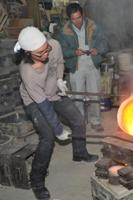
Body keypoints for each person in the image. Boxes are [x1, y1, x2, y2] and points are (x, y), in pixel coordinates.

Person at [14, 26, 99, 200]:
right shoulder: (27, 71)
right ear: (29, 54)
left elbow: (59, 62)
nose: (46, 53)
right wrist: (58, 129)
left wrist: (60, 79)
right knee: (48, 136)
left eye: (47, 48)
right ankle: (37, 181)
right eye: (40, 52)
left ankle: (79, 153)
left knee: (78, 119)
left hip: (54, 91)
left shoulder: (53, 45)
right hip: (35, 101)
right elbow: (44, 106)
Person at [56, 3, 108, 131]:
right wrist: (74, 52)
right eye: (73, 19)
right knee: (78, 97)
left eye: (79, 17)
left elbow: (105, 43)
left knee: (94, 95)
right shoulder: (64, 31)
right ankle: (80, 123)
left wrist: (98, 49)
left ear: (83, 14)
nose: (77, 21)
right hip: (76, 66)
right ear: (69, 18)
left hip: (92, 65)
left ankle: (95, 121)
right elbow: (61, 50)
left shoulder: (93, 26)